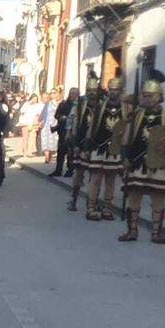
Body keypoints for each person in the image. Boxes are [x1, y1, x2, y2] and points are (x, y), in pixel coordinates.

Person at [117, 71, 165, 244]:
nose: (147, 98)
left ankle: (156, 232)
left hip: (159, 164)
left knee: (158, 198)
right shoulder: (135, 116)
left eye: (150, 95)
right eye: (145, 95)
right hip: (137, 162)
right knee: (134, 196)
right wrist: (125, 158)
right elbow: (126, 139)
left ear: (159, 96)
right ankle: (132, 231)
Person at [80, 76, 127, 221]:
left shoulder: (126, 109)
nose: (113, 92)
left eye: (116, 90)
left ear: (121, 91)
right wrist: (87, 147)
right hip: (98, 147)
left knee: (111, 179)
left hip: (114, 149)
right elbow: (91, 128)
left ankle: (107, 207)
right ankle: (91, 207)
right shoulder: (100, 107)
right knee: (95, 178)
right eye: (111, 89)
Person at [67, 76, 101, 211]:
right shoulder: (80, 105)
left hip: (96, 144)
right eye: (89, 90)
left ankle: (93, 202)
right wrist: (74, 143)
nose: (92, 92)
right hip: (81, 143)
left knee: (95, 176)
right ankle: (73, 199)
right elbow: (73, 123)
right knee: (79, 173)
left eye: (94, 90)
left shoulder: (102, 105)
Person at [49, 87, 78, 176]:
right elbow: (56, 115)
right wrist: (61, 117)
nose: (72, 95)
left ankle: (70, 170)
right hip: (62, 131)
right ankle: (58, 170)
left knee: (71, 152)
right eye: (71, 93)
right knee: (61, 151)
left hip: (73, 132)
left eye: (74, 94)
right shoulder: (63, 104)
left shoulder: (79, 105)